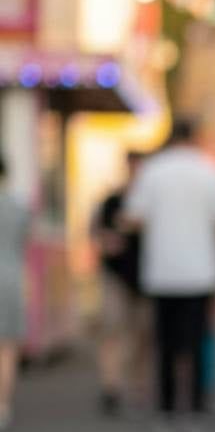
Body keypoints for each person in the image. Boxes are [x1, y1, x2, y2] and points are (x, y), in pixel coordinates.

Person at [123, 117, 215, 432]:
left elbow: (133, 218)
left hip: (162, 271)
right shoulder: (211, 172)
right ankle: (196, 407)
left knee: (166, 342)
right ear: (196, 136)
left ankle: (167, 408)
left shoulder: (152, 172)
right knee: (198, 340)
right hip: (201, 271)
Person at [91, 151, 150, 416]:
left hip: (146, 278)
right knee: (112, 329)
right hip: (115, 276)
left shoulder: (150, 202)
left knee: (143, 334)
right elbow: (96, 233)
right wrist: (107, 241)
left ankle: (139, 385)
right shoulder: (112, 201)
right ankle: (111, 386)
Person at [0, 156, 29, 430]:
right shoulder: (18, 206)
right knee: (7, 346)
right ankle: (3, 405)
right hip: (9, 278)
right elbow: (24, 242)